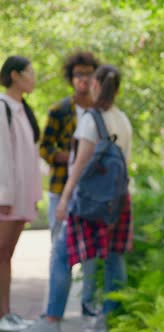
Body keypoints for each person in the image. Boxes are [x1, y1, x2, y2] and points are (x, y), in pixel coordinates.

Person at [27, 65, 132, 332]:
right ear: (117, 89)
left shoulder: (90, 119)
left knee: (62, 255)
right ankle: (112, 319)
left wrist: (64, 199)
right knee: (114, 258)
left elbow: (80, 166)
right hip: (118, 200)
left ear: (95, 85)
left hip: (88, 201)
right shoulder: (122, 119)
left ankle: (52, 319)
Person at [35, 52, 101, 331]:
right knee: (59, 251)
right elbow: (44, 148)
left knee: (92, 255)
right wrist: (67, 156)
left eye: (87, 74)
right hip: (61, 188)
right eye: (78, 75)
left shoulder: (102, 110)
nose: (82, 79)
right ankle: (53, 316)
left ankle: (89, 310)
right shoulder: (59, 110)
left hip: (93, 194)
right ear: (71, 78)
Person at [0, 56, 42, 331]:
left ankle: (7, 313)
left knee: (5, 256)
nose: (33, 78)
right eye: (30, 72)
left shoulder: (22, 109)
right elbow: (2, 156)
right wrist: (4, 197)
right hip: (6, 200)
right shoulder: (2, 107)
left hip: (21, 198)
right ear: (15, 75)